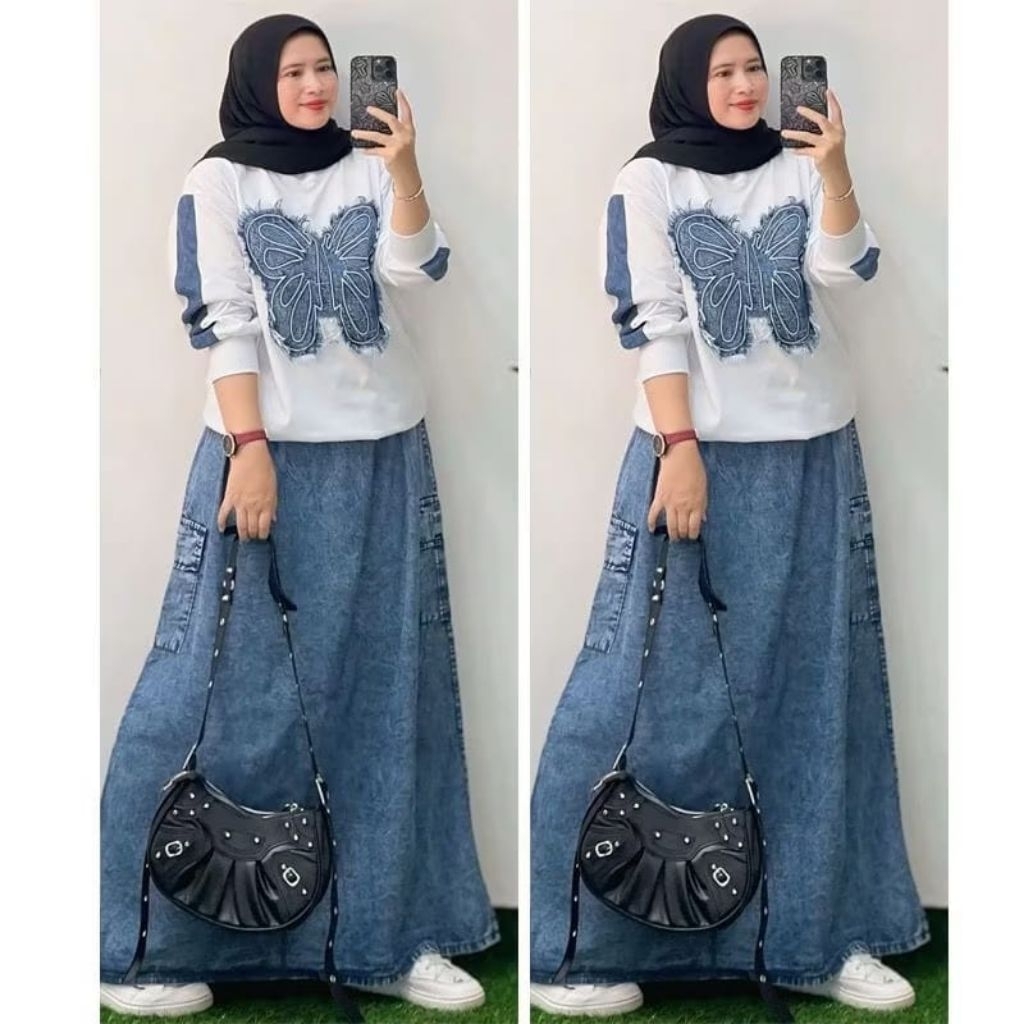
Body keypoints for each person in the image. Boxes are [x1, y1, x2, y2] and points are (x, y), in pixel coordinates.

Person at [530, 14, 929, 1018]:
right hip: (694, 459)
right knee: (646, 693)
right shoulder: (648, 181)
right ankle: (588, 944)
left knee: (814, 691)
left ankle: (813, 938)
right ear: (684, 82)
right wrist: (679, 448)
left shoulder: (797, 163)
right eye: (722, 71)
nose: (745, 84)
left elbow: (845, 268)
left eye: (754, 66)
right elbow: (650, 320)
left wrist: (833, 168)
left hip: (814, 452)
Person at [99, 14, 497, 1018]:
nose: (316, 85)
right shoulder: (219, 181)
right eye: (293, 72)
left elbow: (416, 269)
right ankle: (142, 944)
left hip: (386, 451)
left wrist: (403, 168)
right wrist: (249, 447)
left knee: (384, 689)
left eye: (324, 67)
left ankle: (382, 937)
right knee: (213, 691)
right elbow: (220, 318)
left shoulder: (366, 163)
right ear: (254, 83)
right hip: (264, 457)